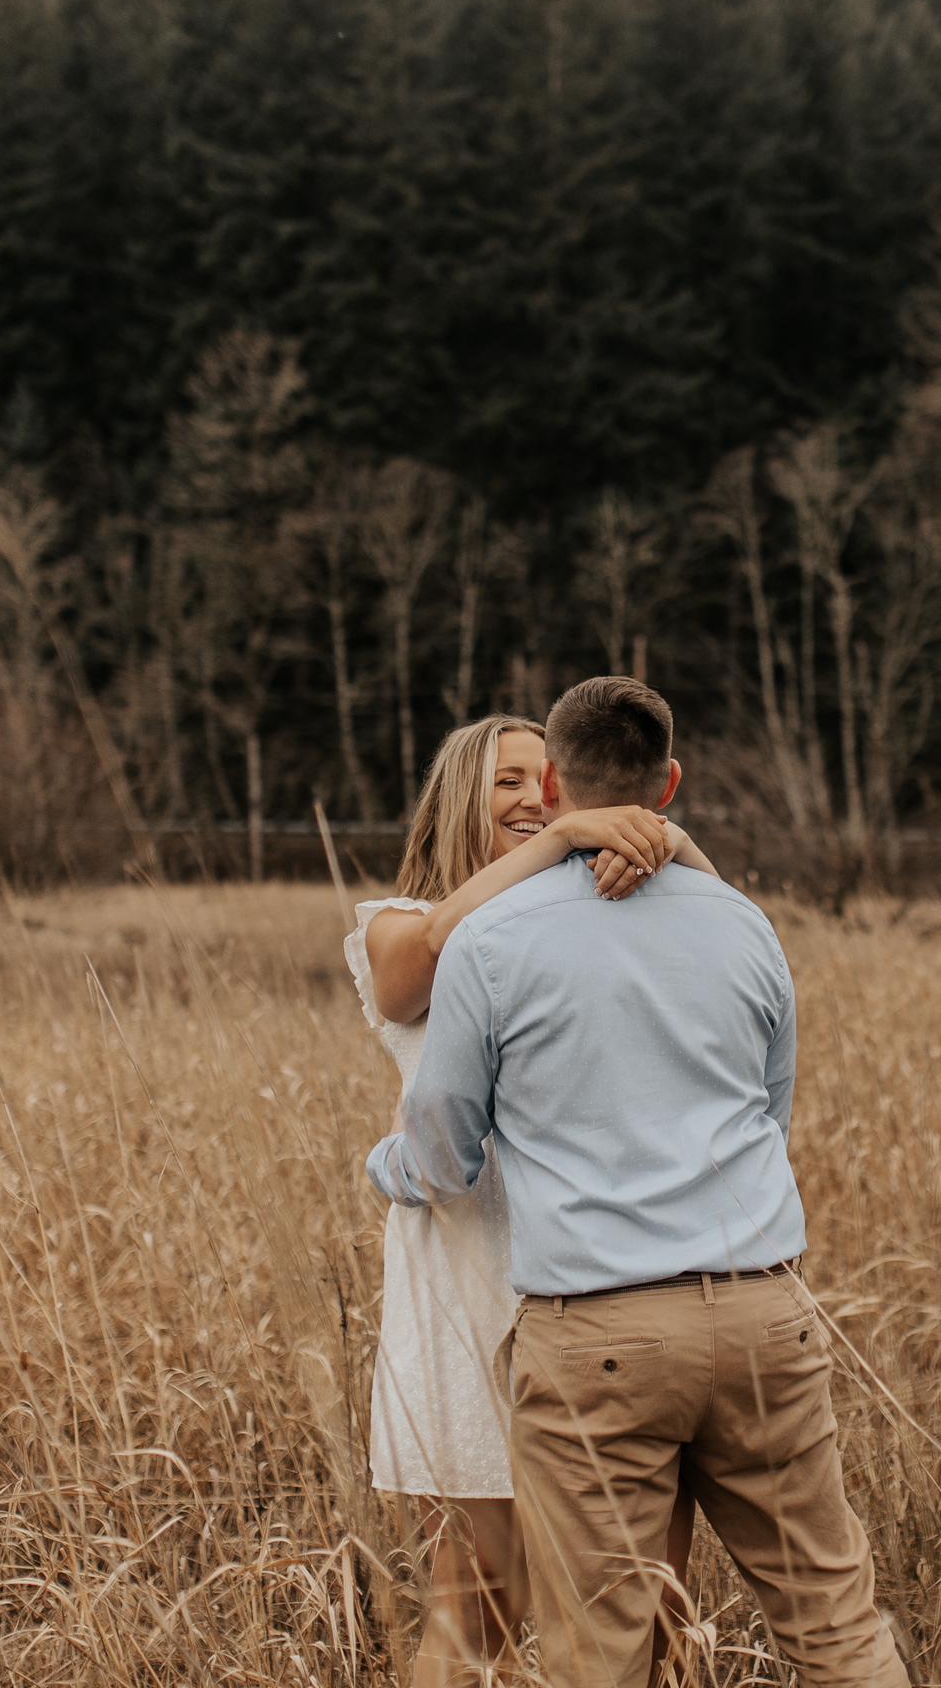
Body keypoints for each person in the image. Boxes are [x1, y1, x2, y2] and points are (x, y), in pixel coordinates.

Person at [367, 677, 911, 1688]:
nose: (526, 798)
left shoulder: (496, 941)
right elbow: (768, 1113)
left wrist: (385, 1164)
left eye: (536, 779)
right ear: (669, 782)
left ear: (561, 785)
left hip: (592, 1323)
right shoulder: (742, 923)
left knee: (605, 1644)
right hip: (758, 1308)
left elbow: (441, 1146)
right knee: (833, 1621)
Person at [347, 711, 716, 1686]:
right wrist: (563, 838)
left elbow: (717, 941)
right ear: (457, 797)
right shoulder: (397, 920)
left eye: (546, 782)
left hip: (608, 1275)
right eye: (507, 780)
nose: (531, 798)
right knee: (480, 1599)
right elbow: (419, 964)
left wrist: (660, 841)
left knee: (649, 1599)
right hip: (468, 1280)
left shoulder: (587, 916)